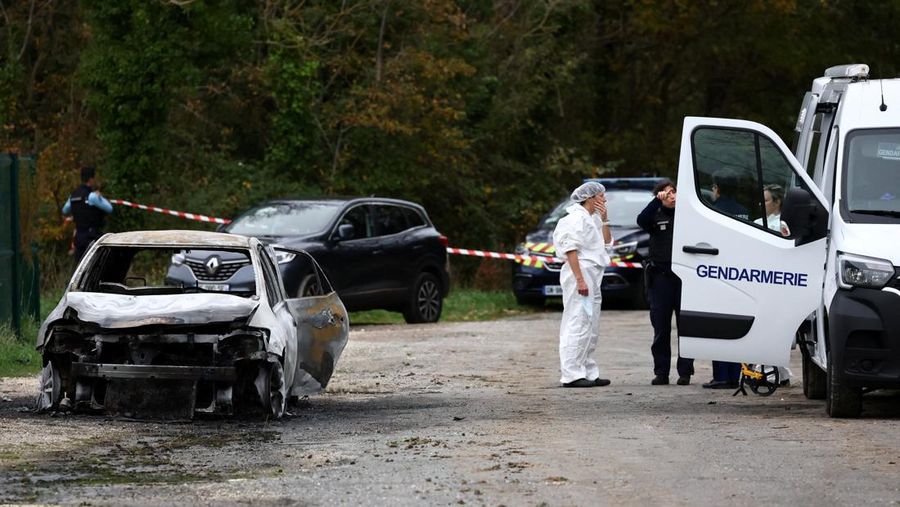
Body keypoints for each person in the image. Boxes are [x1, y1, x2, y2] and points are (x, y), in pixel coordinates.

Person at [552, 181, 613, 388]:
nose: (604, 200)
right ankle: (571, 374)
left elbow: (605, 242)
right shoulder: (574, 219)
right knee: (577, 320)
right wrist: (579, 279)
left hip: (593, 272)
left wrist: (605, 220)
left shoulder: (591, 218)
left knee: (591, 323)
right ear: (590, 198)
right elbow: (571, 250)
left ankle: (588, 371)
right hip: (581, 272)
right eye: (601, 196)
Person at [637, 179, 694, 386]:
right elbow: (641, 220)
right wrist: (656, 201)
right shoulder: (655, 215)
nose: (671, 196)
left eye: (673, 192)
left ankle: (685, 371)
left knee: (685, 326)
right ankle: (661, 372)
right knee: (661, 327)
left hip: (683, 278)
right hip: (660, 277)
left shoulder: (687, 214)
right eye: (666, 193)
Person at [703, 169, 748, 389]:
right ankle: (736, 374)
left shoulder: (712, 210)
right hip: (740, 276)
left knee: (718, 327)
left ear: (717, 189)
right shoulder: (744, 211)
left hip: (717, 274)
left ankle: (721, 376)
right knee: (736, 326)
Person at [753, 184, 794, 385]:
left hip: (777, 282)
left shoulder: (783, 225)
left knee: (772, 326)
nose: (762, 203)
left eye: (766, 200)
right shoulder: (757, 222)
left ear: (777, 203)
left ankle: (771, 371)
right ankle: (777, 372)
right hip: (757, 280)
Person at [62, 166, 113, 261]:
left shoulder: (73, 196)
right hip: (92, 236)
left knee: (81, 266)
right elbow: (109, 208)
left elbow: (65, 210)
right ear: (91, 179)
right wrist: (100, 197)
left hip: (79, 237)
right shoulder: (92, 196)